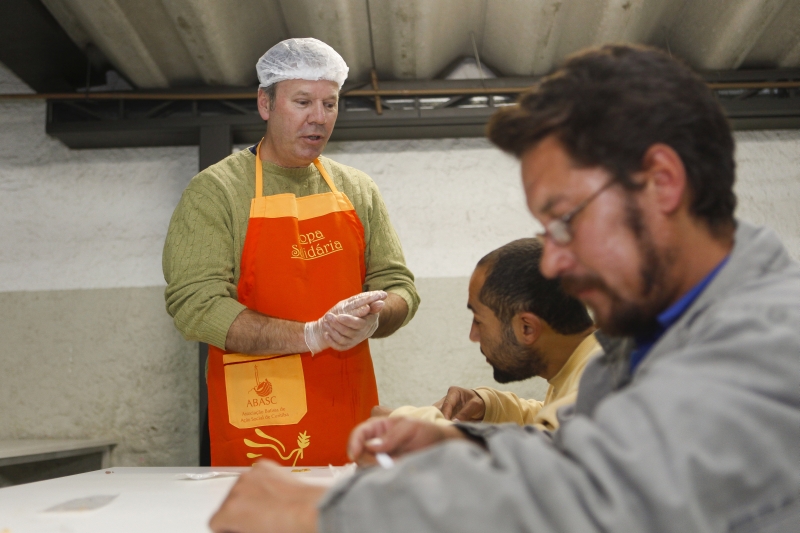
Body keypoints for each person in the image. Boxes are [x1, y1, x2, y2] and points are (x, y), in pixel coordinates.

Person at [209, 44, 800, 533]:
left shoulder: (769, 343)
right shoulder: (646, 338)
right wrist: (463, 444)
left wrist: (328, 511)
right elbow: (577, 456)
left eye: (566, 220)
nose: (558, 261)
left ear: (662, 183)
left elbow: (611, 502)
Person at [163, 38, 419, 467]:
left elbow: (399, 286)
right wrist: (310, 336)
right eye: (302, 102)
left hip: (347, 405)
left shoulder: (357, 189)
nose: (318, 119)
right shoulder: (217, 191)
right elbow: (195, 305)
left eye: (330, 104)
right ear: (265, 103)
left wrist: (378, 316)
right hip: (262, 416)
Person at [379, 238, 600, 431]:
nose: (473, 335)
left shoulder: (605, 379)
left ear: (527, 328)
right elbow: (554, 419)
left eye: (478, 320)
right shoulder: (587, 361)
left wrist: (416, 427)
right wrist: (491, 406)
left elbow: (542, 455)